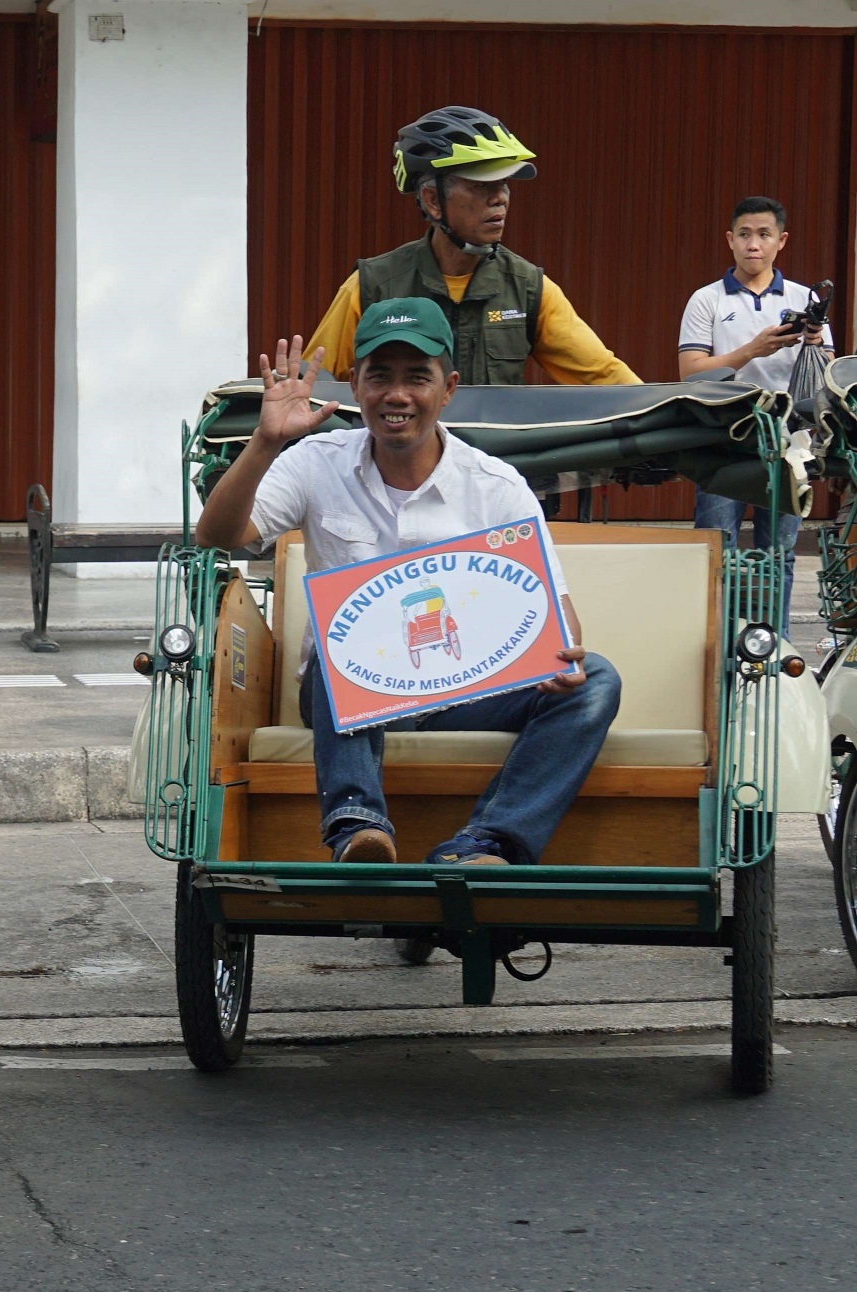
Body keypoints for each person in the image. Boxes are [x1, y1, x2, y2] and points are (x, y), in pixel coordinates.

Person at [195, 298, 621, 868]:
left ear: (447, 390)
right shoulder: (314, 460)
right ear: (354, 386)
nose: (397, 396)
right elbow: (218, 537)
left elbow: (557, 609)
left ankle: (486, 842)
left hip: (468, 691)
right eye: (380, 378)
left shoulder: (496, 485)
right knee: (336, 643)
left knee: (596, 679)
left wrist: (560, 655)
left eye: (417, 378)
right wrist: (266, 442)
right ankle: (358, 828)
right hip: (345, 692)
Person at [304, 107, 639, 387]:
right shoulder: (373, 284)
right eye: (482, 186)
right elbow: (313, 385)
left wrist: (669, 417)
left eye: (504, 184)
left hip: (498, 465)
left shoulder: (528, 288)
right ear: (432, 200)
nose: (501, 198)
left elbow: (606, 378)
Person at [679, 195, 832, 633]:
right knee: (715, 550)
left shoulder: (806, 298)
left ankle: (775, 650)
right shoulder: (705, 300)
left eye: (764, 235)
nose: (753, 245)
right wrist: (754, 350)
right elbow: (690, 373)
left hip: (787, 444)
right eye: (744, 235)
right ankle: (715, 647)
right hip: (722, 441)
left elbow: (822, 379)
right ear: (729, 240)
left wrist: (815, 342)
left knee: (778, 553)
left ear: (781, 241)